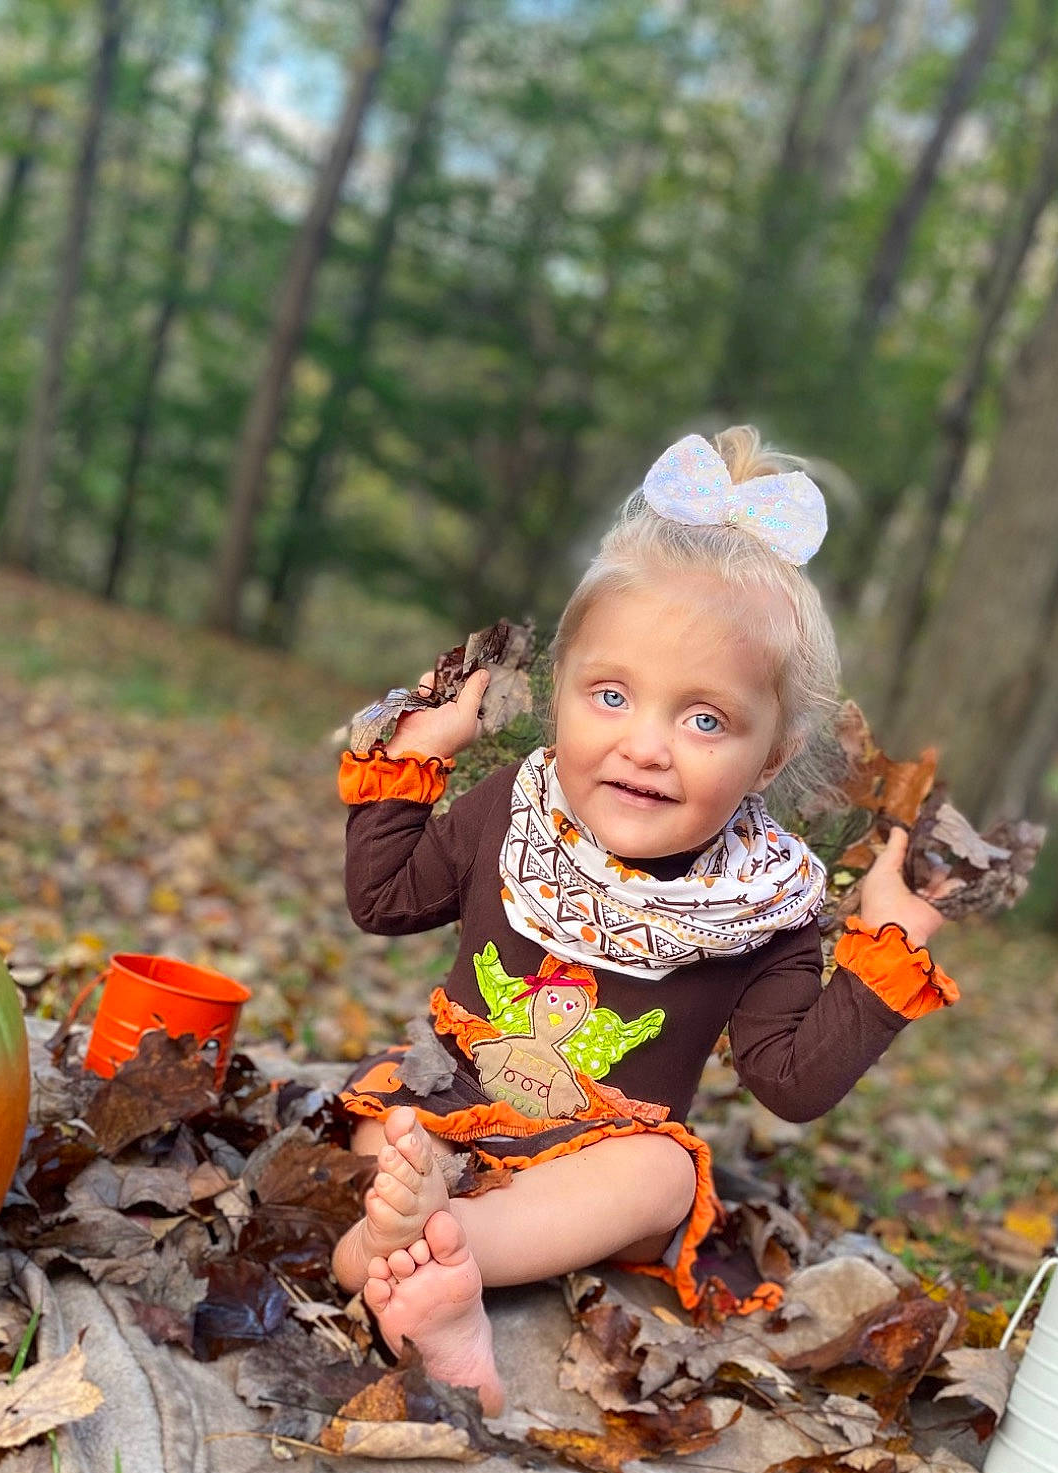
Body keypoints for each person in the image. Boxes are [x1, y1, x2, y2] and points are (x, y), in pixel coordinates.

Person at [330, 428, 958, 1416]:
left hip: (598, 1158)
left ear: (769, 754)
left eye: (704, 719)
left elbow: (789, 1082)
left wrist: (887, 954)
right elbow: (385, 897)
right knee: (399, 1127)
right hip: (458, 1092)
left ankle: (439, 1259)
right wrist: (419, 758)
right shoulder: (518, 810)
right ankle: (411, 1237)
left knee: (663, 1171)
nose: (646, 746)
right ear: (562, 691)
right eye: (612, 695)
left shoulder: (766, 902)